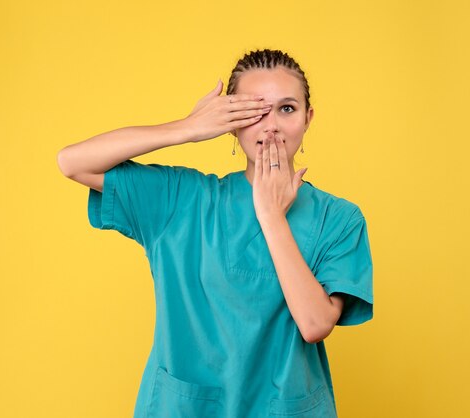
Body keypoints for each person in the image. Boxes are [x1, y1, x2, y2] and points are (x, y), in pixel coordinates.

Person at [57, 49, 373, 418]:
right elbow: (72, 163)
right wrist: (186, 128)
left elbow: (316, 323)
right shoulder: (183, 199)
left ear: (308, 119)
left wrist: (271, 216)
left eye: (287, 108)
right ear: (232, 121)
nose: (271, 125)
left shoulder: (339, 219)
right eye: (255, 111)